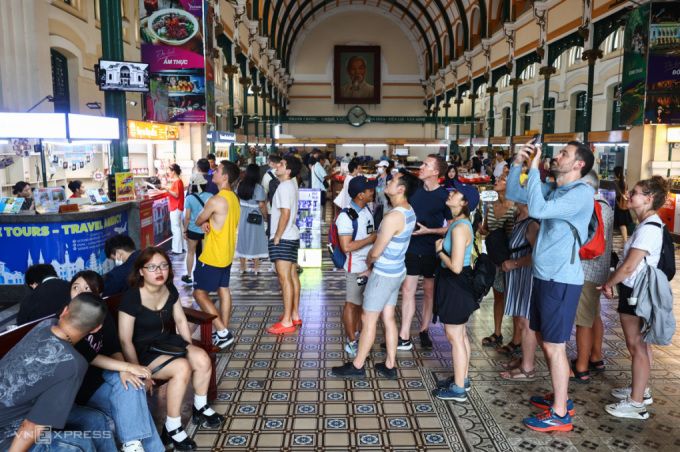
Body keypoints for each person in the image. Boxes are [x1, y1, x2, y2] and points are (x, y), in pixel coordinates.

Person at [506, 140, 595, 432]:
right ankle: (561, 397)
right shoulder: (558, 189)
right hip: (545, 276)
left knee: (555, 346)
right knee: (546, 340)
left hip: (561, 280)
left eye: (564, 154)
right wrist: (518, 164)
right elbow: (514, 193)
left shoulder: (581, 194)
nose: (557, 156)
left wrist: (534, 168)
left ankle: (560, 413)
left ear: (579, 164)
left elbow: (538, 209)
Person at [119, 247, 223, 451]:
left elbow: (181, 321)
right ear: (141, 271)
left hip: (167, 342)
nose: (159, 271)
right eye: (152, 267)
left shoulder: (169, 289)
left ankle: (200, 407)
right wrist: (137, 370)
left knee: (202, 358)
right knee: (182, 367)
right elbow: (125, 340)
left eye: (163, 266)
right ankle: (172, 427)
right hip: (143, 351)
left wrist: (188, 347)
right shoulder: (132, 298)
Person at [331, 171, 418, 379]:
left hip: (383, 275)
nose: (388, 181)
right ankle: (390, 364)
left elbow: (376, 252)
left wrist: (369, 263)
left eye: (393, 180)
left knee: (368, 319)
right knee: (388, 317)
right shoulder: (409, 211)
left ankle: (358, 366)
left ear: (401, 189)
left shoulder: (393, 217)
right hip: (397, 271)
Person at [0, 293, 108, 451]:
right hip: (8, 434)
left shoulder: (46, 324)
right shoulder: (74, 365)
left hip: (21, 413)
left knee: (95, 420)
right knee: (79, 443)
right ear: (96, 328)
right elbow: (31, 426)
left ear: (64, 311)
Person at [69, 270, 163, 452]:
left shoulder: (101, 313)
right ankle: (140, 446)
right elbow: (90, 356)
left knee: (132, 384)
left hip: (105, 376)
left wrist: (124, 371)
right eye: (75, 287)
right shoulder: (68, 318)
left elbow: (113, 348)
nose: (80, 292)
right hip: (84, 387)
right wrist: (127, 367)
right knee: (134, 403)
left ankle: (132, 445)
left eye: (87, 288)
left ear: (98, 294)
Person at [601, 176, 669, 420]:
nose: (629, 195)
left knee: (636, 345)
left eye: (636, 193)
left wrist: (609, 283)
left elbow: (629, 266)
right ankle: (641, 390)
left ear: (649, 199)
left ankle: (636, 403)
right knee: (642, 344)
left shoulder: (649, 228)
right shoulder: (647, 224)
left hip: (635, 293)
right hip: (636, 291)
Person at [431, 184, 480, 402]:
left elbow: (456, 267)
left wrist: (440, 251)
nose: (450, 193)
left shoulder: (460, 228)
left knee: (454, 336)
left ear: (464, 203)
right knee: (460, 335)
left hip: (455, 283)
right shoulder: (459, 224)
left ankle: (459, 389)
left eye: (456, 193)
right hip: (456, 284)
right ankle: (463, 379)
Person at [398, 155, 452, 351]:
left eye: (426, 165)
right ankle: (404, 334)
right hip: (411, 247)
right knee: (408, 290)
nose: (421, 167)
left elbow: (452, 227)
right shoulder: (414, 191)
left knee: (429, 291)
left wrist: (430, 231)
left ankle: (424, 329)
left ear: (436, 172)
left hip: (432, 249)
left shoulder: (444, 197)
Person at [193, 160, 241, 349]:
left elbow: (198, 220)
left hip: (212, 255)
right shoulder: (233, 198)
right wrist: (208, 222)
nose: (214, 172)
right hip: (227, 253)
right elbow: (217, 220)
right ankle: (224, 331)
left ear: (225, 177)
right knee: (223, 290)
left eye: (218, 170)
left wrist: (204, 221)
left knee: (199, 293)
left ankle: (222, 332)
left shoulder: (216, 200)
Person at [571, 170, 613, 383]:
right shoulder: (605, 205)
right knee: (594, 315)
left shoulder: (592, 207)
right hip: (600, 269)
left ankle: (581, 367)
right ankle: (596, 356)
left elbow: (587, 241)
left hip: (587, 269)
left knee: (583, 321)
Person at [498, 201, 540, 381]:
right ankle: (525, 359)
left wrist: (515, 263)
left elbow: (538, 254)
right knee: (520, 318)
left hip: (526, 274)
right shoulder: (519, 218)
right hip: (517, 274)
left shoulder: (532, 223)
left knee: (526, 321)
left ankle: (528, 368)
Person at [337, 176, 378, 357]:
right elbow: (347, 247)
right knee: (351, 304)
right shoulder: (346, 216)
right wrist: (371, 238)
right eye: (369, 190)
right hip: (355, 267)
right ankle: (352, 341)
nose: (373, 192)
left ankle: (360, 337)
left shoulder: (366, 209)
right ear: (361, 195)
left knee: (362, 304)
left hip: (368, 266)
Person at [479, 174, 516, 352]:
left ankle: (517, 338)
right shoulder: (491, 206)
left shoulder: (515, 208)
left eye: (501, 180)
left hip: (511, 258)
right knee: (498, 295)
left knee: (514, 296)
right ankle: (497, 332)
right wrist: (482, 229)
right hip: (496, 257)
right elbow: (486, 229)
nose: (496, 181)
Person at [267, 155, 303, 334]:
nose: (277, 166)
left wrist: (277, 236)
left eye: (281, 164)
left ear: (288, 170)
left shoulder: (283, 186)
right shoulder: (291, 185)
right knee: (292, 276)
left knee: (284, 279)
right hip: (292, 236)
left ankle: (287, 320)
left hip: (284, 238)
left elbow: (285, 213)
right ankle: (294, 314)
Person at [236, 164, 269, 275]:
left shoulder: (240, 184)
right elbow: (261, 205)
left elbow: (237, 199)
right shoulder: (258, 187)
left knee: (242, 239)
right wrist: (265, 217)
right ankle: (255, 268)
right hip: (255, 216)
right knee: (255, 239)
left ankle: (242, 267)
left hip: (243, 215)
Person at [181, 173, 214, 285]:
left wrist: (185, 230)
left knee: (190, 252)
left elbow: (187, 217)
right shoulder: (210, 196)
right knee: (206, 253)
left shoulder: (189, 198)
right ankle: (205, 275)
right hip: (207, 230)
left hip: (193, 229)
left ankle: (189, 276)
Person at [164, 163, 186, 255]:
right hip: (178, 207)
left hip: (175, 207)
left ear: (174, 172)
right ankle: (182, 247)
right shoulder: (178, 181)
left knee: (175, 228)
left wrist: (167, 190)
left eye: (169, 171)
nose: (168, 173)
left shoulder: (177, 182)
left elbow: (176, 195)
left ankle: (176, 249)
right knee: (179, 227)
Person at [613, 166, 634, 243]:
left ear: (616, 173)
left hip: (616, 204)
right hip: (623, 204)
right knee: (622, 224)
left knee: (614, 223)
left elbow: (612, 194)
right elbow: (626, 193)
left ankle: (611, 241)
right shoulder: (625, 183)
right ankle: (625, 241)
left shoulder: (614, 183)